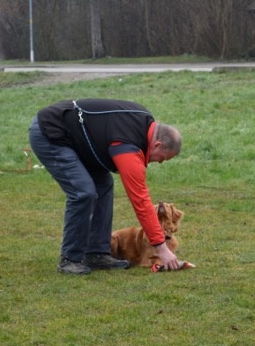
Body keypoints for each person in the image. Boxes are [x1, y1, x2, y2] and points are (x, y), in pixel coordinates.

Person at [29, 98, 182, 275]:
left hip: (77, 139)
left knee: (103, 185)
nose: (159, 162)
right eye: (162, 158)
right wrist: (161, 248)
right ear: (157, 144)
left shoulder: (144, 123)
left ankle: (97, 253)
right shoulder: (128, 146)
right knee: (83, 192)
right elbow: (140, 201)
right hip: (50, 132)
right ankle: (70, 259)